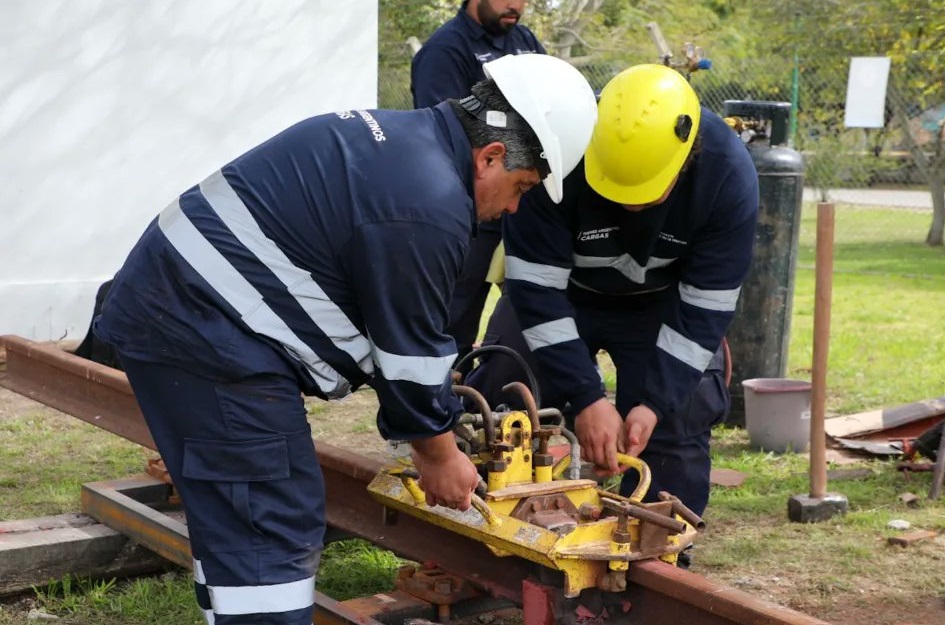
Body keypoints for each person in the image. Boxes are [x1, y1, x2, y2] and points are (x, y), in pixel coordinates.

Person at [92, 53, 598, 625]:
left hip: (176, 309)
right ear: (491, 156)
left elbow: (351, 294)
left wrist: (426, 395)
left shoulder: (402, 145)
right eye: (522, 187)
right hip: (205, 329)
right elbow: (406, 351)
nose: (512, 207)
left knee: (237, 514)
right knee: (270, 513)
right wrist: (438, 452)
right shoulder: (429, 204)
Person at [467, 64, 759, 528]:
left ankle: (656, 547)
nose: (630, 206)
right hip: (560, 297)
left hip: (662, 306)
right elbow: (535, 289)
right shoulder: (558, 146)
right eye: (616, 190)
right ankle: (483, 522)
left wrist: (652, 405)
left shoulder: (727, 175)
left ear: (687, 157)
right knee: (506, 386)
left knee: (680, 412)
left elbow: (706, 306)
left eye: (645, 193)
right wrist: (586, 397)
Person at [411, 0, 546, 374]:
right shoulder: (445, 49)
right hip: (468, 208)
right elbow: (443, 135)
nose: (515, 5)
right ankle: (436, 408)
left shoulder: (526, 41)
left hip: (521, 199)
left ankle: (500, 401)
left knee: (528, 312)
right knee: (454, 313)